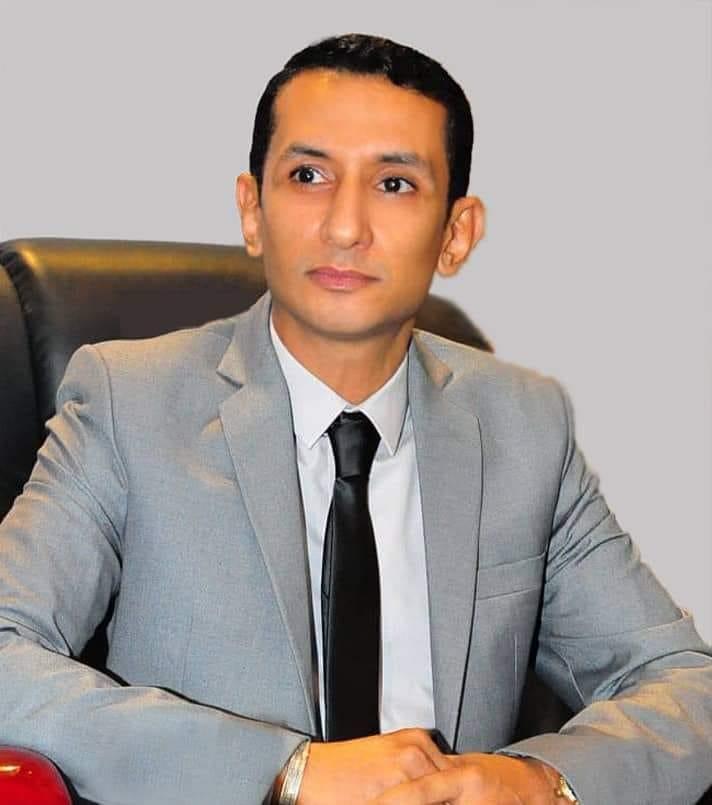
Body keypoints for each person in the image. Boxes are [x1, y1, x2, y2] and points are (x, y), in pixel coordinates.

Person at [0, 33, 710, 805]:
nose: (345, 226)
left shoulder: (522, 426)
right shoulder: (127, 402)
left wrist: (543, 781)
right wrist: (287, 771)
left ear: (456, 233)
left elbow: (684, 682)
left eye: (395, 184)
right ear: (252, 209)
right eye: (308, 176)